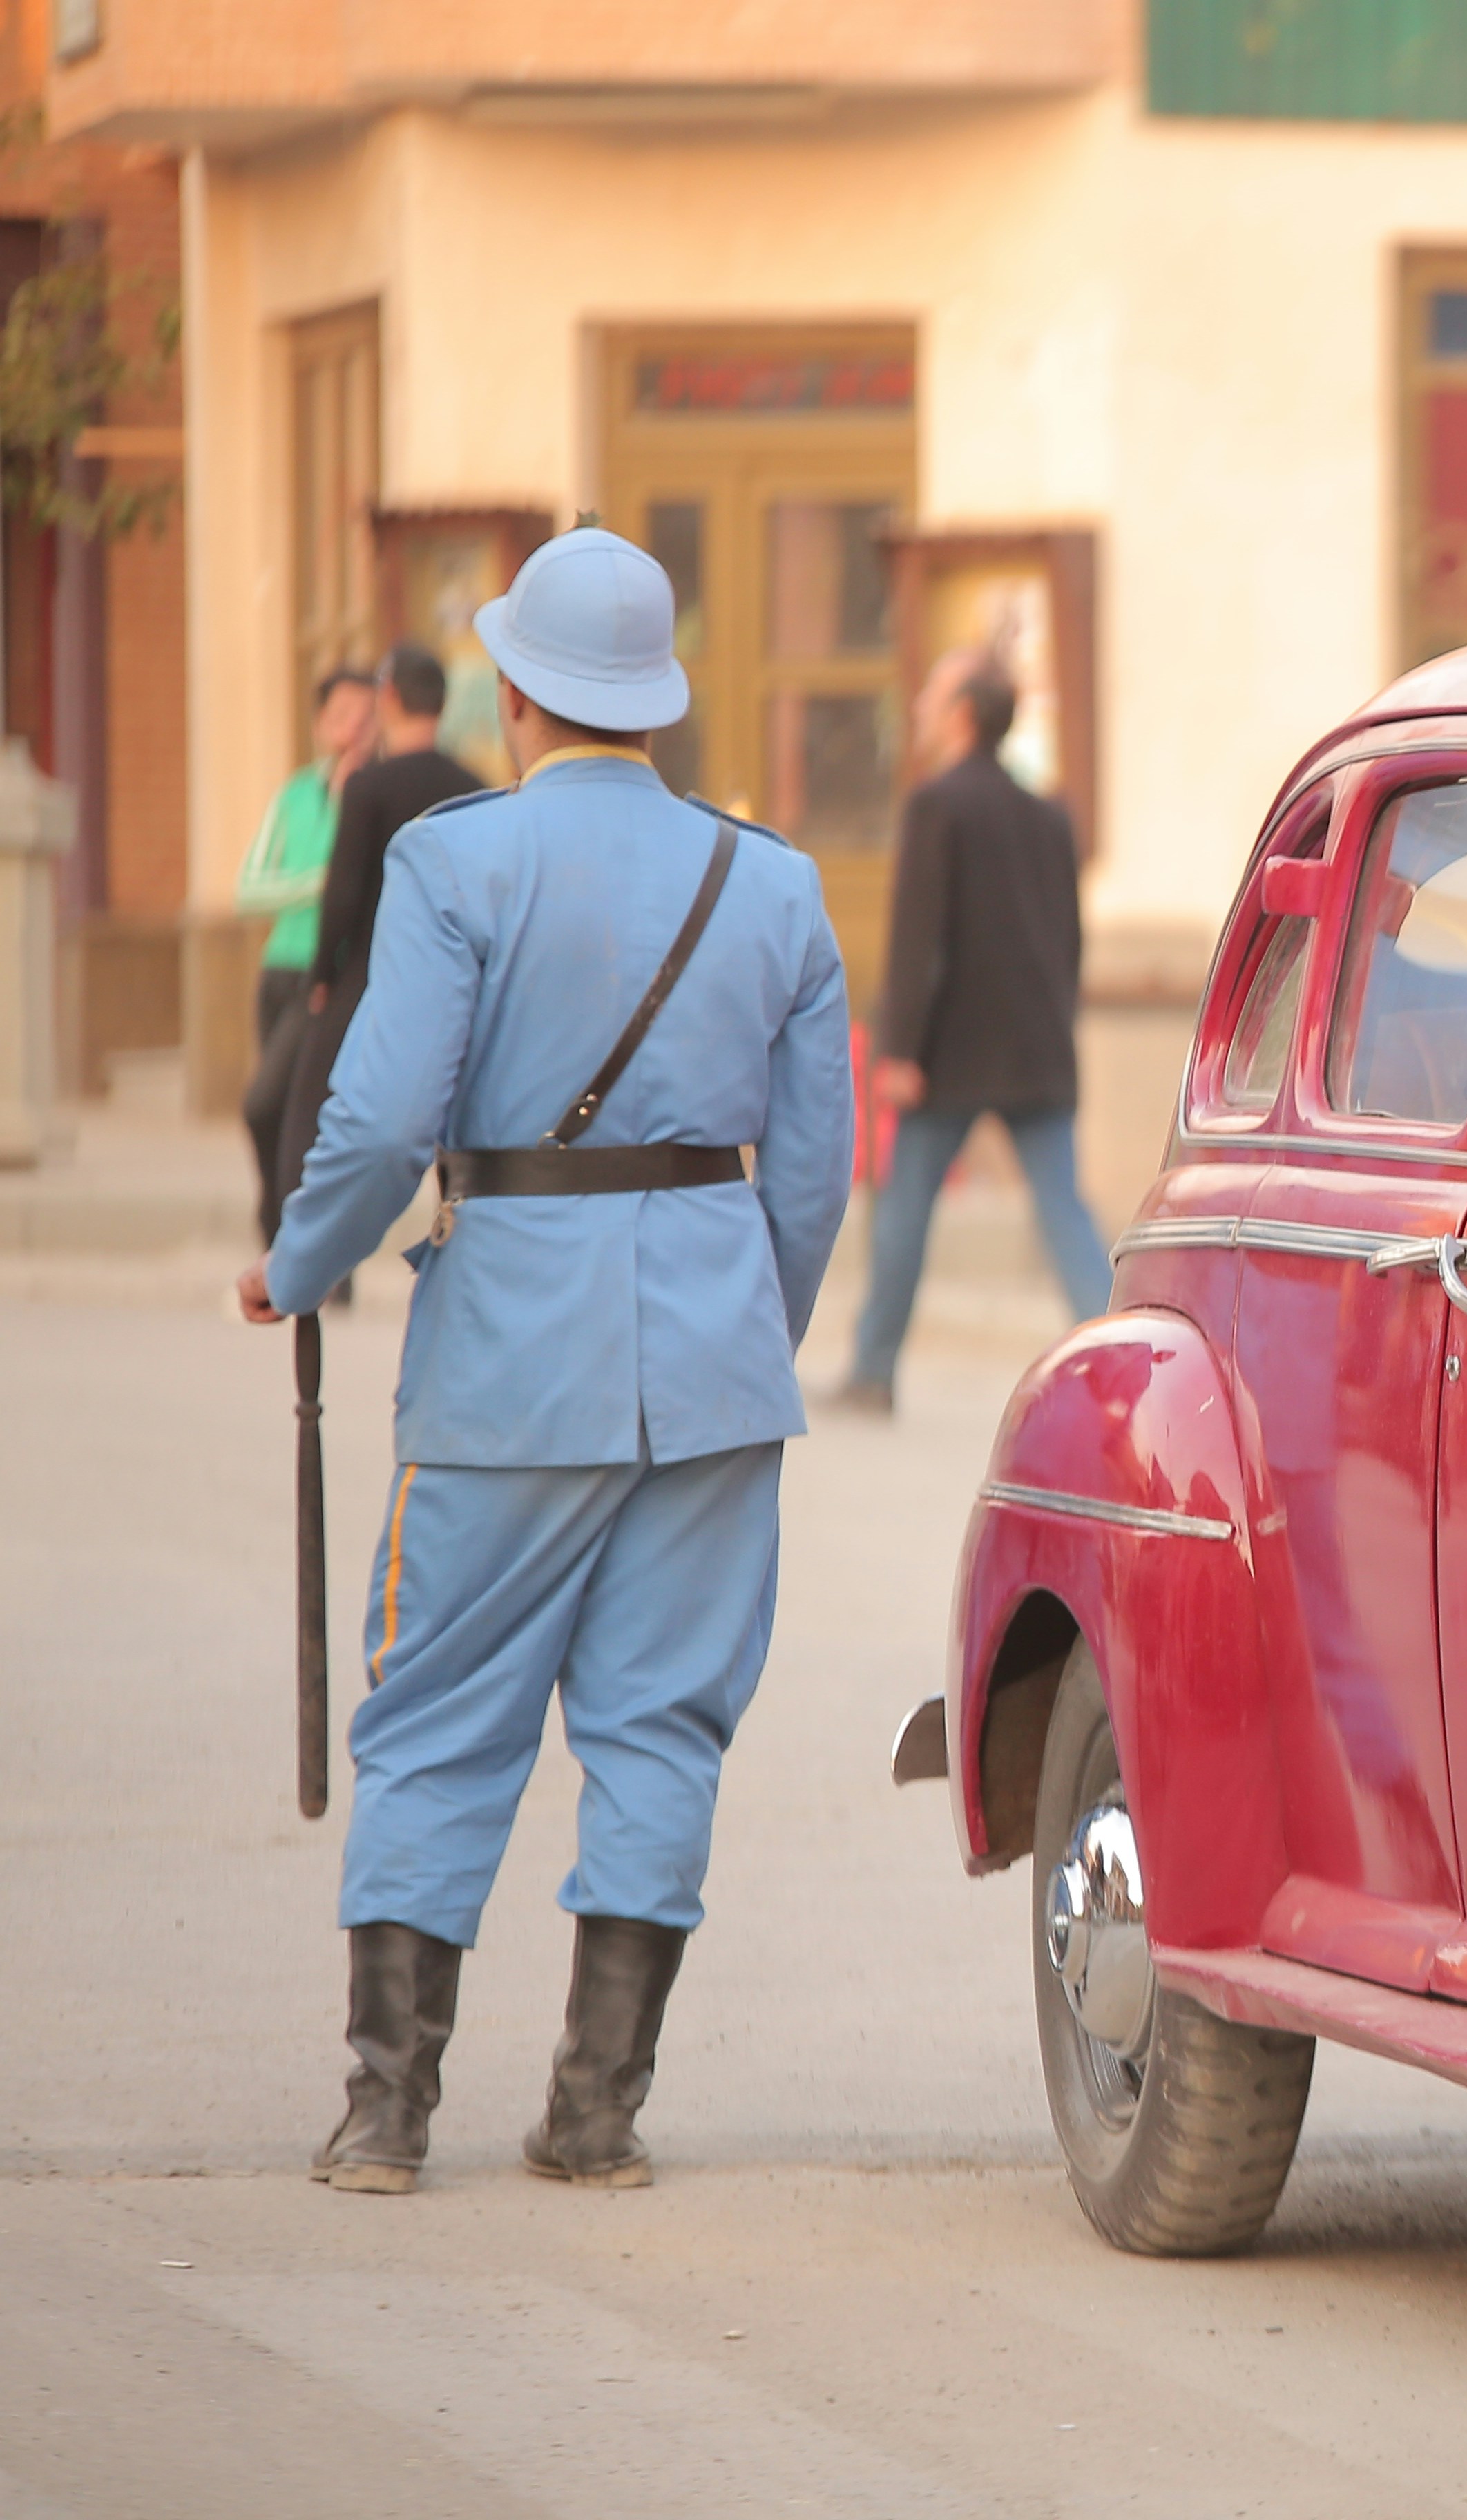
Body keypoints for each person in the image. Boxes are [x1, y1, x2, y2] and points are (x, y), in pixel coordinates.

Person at [235, 526, 852, 2197]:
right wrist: (741, 1332)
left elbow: (376, 1121)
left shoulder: (459, 862)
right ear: (652, 699)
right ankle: (596, 2116)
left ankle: (386, 2115)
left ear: (512, 692)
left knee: (436, 1719)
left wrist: (301, 1263)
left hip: (508, 1349)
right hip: (714, 1360)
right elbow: (809, 1179)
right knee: (662, 1729)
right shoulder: (774, 882)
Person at [831, 652, 1111, 1411]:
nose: (918, 707)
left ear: (960, 715)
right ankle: (1129, 1364)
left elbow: (918, 937)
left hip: (949, 1057)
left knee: (904, 1210)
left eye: (929, 694)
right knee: (1065, 1211)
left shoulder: (936, 806)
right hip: (1036, 1049)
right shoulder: (1051, 815)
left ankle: (873, 1371)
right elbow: (1070, 938)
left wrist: (900, 1051)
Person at [267, 642, 485, 1232]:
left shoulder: (368, 788)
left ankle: (313, 1260)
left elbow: (342, 897)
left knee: (309, 1111)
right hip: (455, 976)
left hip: (369, 969)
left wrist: (321, 978)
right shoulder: (473, 786)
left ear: (389, 698)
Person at [236, 665, 377, 1239]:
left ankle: (297, 1241)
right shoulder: (295, 794)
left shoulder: (376, 797)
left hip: (333, 979)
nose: (354, 731)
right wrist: (323, 880)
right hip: (281, 972)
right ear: (320, 724)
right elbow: (250, 889)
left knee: (273, 1108)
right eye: (342, 717)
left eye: (367, 718)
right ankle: (281, 1228)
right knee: (279, 1116)